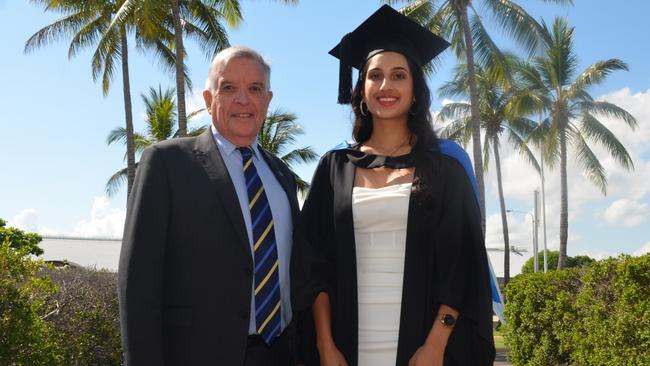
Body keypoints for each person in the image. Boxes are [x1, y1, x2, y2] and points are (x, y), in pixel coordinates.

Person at [297, 5, 495, 366]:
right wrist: (326, 346)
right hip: (346, 345)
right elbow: (315, 265)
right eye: (375, 76)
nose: (386, 86)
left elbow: (461, 264)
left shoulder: (445, 169)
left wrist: (436, 345)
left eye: (399, 75)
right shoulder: (333, 168)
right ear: (361, 91)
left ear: (416, 91)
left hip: (424, 345)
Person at [118, 46, 303, 366]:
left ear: (267, 101)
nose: (243, 100)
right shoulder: (167, 163)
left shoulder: (281, 175)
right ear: (208, 98)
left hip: (281, 354)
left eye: (255, 89)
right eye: (229, 87)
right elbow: (138, 281)